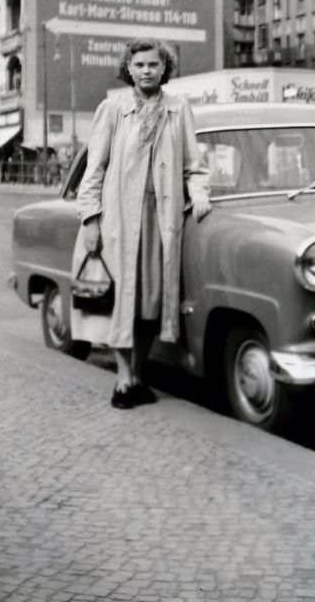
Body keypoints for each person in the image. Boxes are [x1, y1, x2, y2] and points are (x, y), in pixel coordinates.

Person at [71, 38, 211, 409]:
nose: (147, 70)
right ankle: (123, 380)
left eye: (153, 64)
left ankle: (139, 373)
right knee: (122, 303)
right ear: (128, 69)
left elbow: (193, 166)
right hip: (118, 221)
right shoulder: (113, 108)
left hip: (161, 222)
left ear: (165, 68)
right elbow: (94, 170)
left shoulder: (179, 110)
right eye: (140, 65)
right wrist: (90, 220)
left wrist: (199, 194)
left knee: (151, 303)